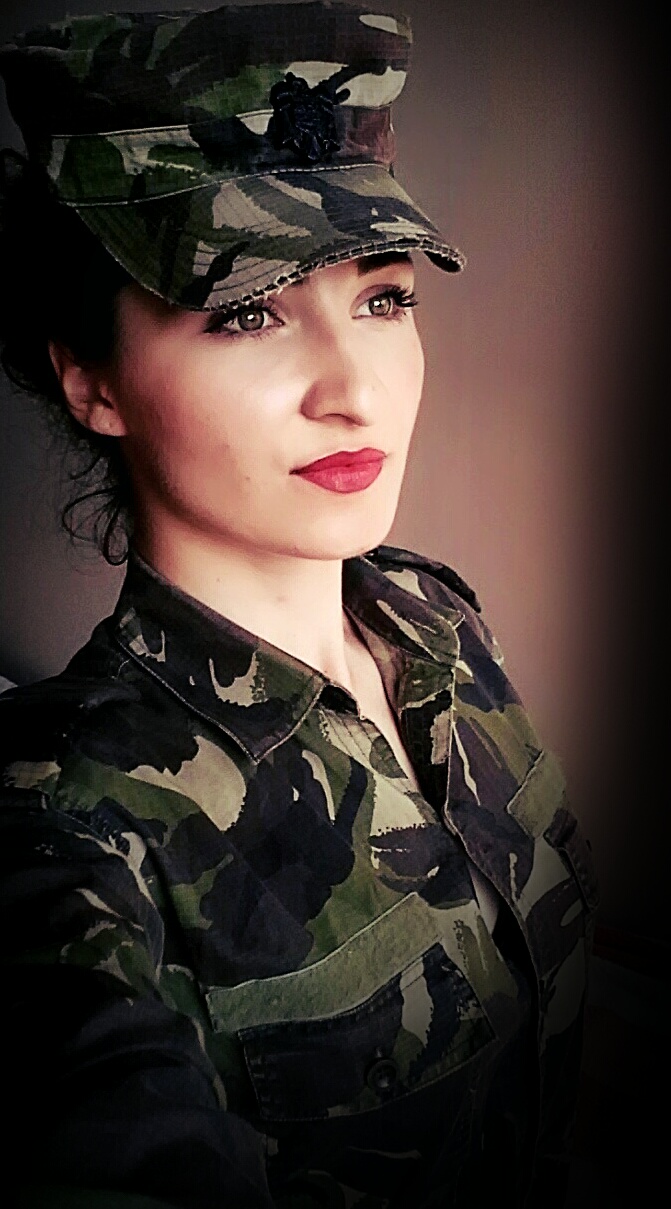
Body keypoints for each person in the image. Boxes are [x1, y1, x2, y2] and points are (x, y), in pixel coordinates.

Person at [0, 4, 599, 1207]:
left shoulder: (430, 614)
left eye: (382, 299)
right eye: (247, 313)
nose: (351, 389)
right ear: (91, 379)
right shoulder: (69, 824)